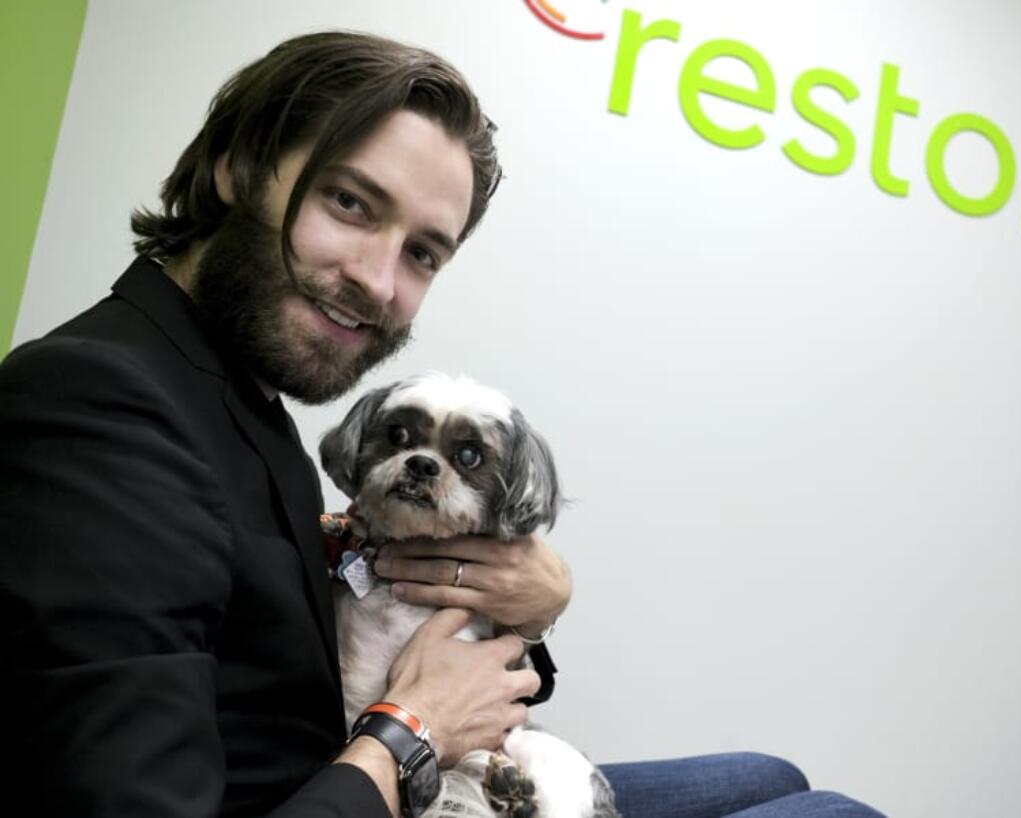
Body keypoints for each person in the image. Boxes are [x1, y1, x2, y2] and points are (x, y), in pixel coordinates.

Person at [0, 31, 884, 818]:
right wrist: (415, 730)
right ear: (235, 164)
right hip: (355, 778)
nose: (379, 282)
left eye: (423, 252)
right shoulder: (93, 400)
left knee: (773, 772)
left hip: (367, 754)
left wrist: (525, 607)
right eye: (350, 203)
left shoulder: (238, 386)